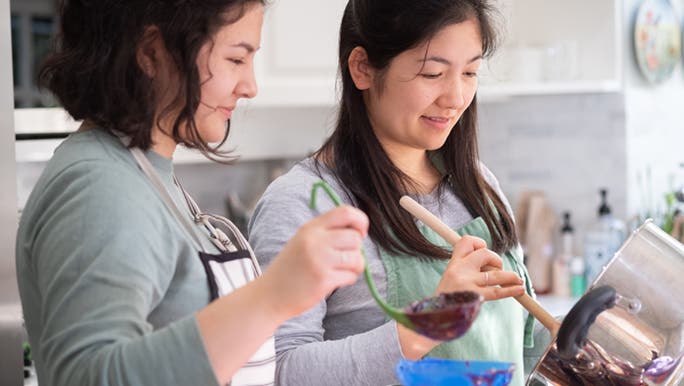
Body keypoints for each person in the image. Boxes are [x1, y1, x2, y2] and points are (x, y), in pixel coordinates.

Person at [15, 1, 370, 386]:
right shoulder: (99, 188)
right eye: (236, 59)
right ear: (152, 53)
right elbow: (91, 377)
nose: (250, 86)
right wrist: (274, 294)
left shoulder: (146, 173)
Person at [248, 0, 537, 385]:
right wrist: (429, 321)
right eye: (433, 73)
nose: (455, 98)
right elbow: (279, 372)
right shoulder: (303, 202)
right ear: (363, 68)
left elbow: (524, 347)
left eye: (470, 72)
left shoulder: (478, 185)